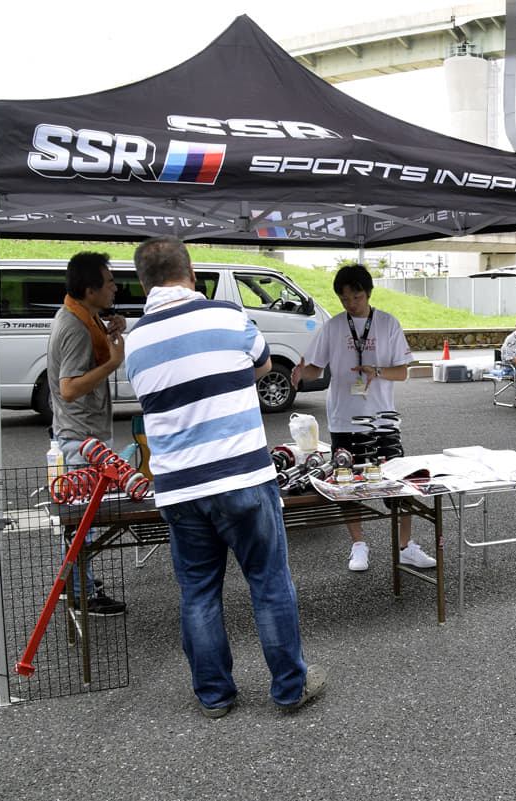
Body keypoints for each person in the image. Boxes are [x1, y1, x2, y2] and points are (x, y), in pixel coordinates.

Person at [124, 236, 324, 717]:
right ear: (192, 274)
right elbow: (263, 365)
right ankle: (290, 687)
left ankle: (214, 695)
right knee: (269, 582)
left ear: (145, 284)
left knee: (198, 592)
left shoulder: (135, 340)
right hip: (242, 475)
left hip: (179, 487)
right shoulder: (228, 316)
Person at [291, 262, 437, 573]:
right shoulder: (333, 326)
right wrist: (302, 373)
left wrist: (377, 371)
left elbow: (402, 372)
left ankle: (406, 546)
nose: (350, 304)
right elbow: (316, 368)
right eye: (344, 299)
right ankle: (358, 544)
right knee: (347, 486)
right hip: (343, 419)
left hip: (382, 420)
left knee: (399, 484)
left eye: (356, 297)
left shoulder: (387, 324)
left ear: (368, 293)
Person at [46, 251, 127, 617]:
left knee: (83, 522)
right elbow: (68, 389)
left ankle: (80, 584)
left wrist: (113, 329)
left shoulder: (82, 315)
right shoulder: (75, 328)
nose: (115, 288)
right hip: (81, 439)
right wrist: (113, 363)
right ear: (90, 289)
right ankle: (81, 595)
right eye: (109, 282)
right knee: (84, 524)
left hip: (82, 434)